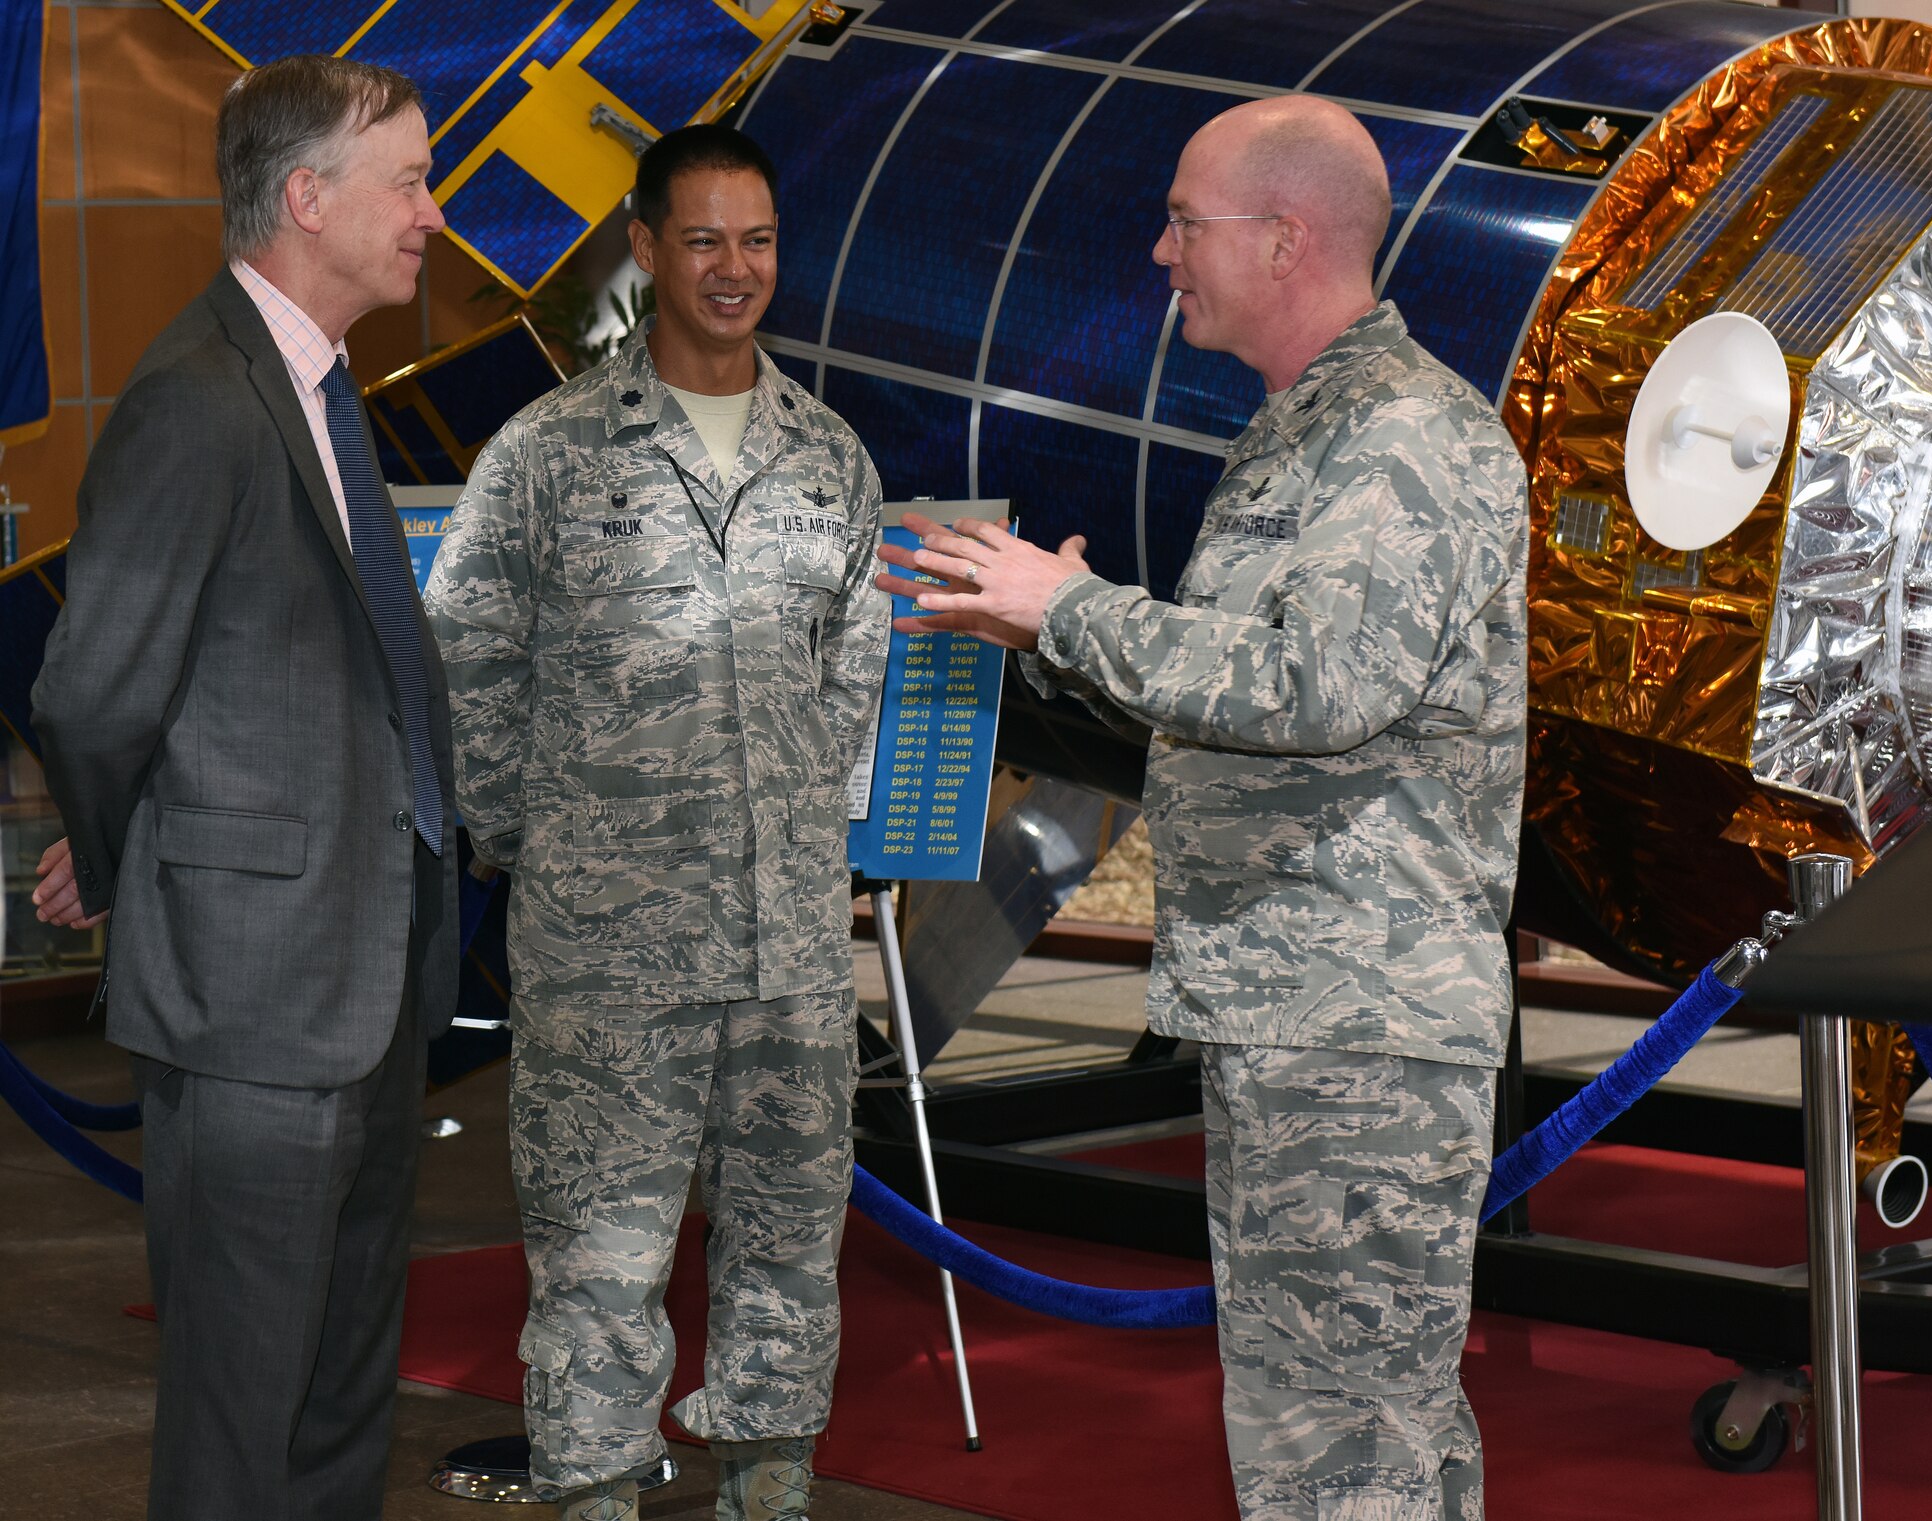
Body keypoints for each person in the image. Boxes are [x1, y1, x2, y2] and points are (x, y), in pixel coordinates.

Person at [877, 96, 1526, 1521]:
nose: (1163, 250)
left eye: (1187, 220)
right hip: (1297, 1013)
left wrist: (1080, 607)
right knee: (1341, 1439)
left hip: (1355, 1028)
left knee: (1344, 1450)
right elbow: (1241, 718)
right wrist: (1048, 627)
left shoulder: (1403, 438)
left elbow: (1319, 686)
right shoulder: (1309, 434)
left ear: (1285, 237)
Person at [425, 124, 888, 1521]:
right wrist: (550, 840)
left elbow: (853, 676)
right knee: (598, 1267)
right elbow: (468, 664)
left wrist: (798, 834)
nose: (734, 268)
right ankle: (594, 1494)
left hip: (791, 961)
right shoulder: (549, 456)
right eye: (703, 240)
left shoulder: (830, 456)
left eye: (756, 241)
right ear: (645, 249)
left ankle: (767, 1486)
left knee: (789, 1255)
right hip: (608, 959)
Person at [29, 54, 458, 1521]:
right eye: (408, 179)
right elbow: (92, 691)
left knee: (340, 1400)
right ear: (305, 196)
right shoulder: (200, 399)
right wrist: (127, 846)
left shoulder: (322, 390)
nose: (433, 213)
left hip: (367, 982)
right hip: (252, 1001)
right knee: (239, 1421)